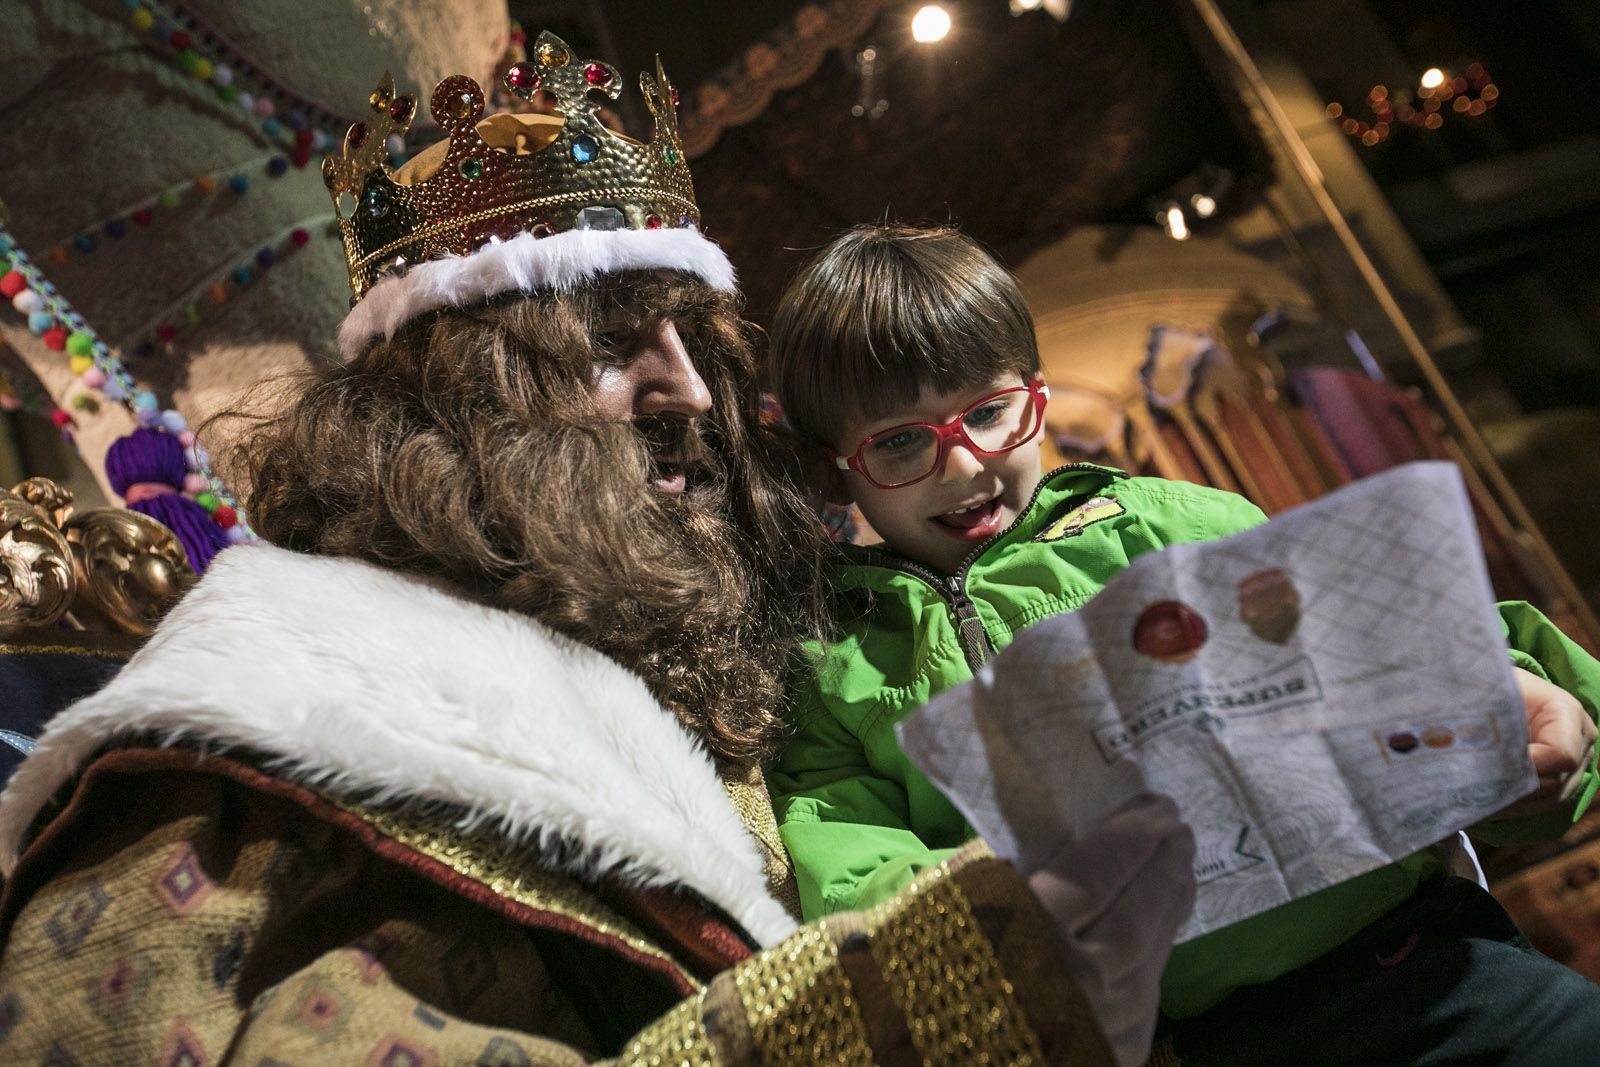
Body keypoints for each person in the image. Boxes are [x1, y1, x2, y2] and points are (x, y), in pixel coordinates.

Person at [0, 41, 1197, 1066]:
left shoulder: (756, 663)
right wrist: (937, 995)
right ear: (461, 411)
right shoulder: (273, 706)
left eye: (696, 341)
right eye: (614, 347)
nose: (687, 388)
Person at [764, 223, 1600, 1063]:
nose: (962, 465)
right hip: (1195, 1041)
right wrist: (1001, 905)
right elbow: (850, 871)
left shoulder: (1173, 527)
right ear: (838, 469)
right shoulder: (835, 665)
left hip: (1418, 964)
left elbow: (1399, 656)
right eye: (900, 440)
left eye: (987, 412)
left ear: (1037, 400)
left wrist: (1521, 701)